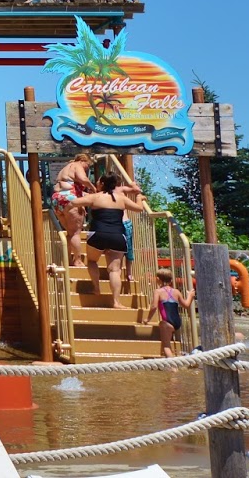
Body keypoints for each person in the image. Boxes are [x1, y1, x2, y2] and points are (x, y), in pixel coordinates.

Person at [71, 176, 149, 308]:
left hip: (98, 235)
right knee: (114, 270)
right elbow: (139, 209)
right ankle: (116, 302)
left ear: (101, 183)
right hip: (117, 236)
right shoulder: (121, 198)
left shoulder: (96, 197)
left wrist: (81, 194)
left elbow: (74, 202)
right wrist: (139, 198)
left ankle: (96, 288)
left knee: (92, 261)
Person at [53, 153, 95, 266]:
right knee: (76, 233)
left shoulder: (65, 169)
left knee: (70, 233)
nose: (87, 168)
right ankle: (78, 260)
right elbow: (83, 179)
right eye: (87, 166)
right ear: (82, 160)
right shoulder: (77, 165)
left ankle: (67, 260)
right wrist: (93, 188)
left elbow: (73, 188)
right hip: (70, 199)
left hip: (57, 199)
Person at [144, 269, 194, 357]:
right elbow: (186, 305)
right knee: (168, 340)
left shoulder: (158, 292)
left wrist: (147, 319)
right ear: (171, 280)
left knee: (166, 346)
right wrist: (190, 295)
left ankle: (173, 369)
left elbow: (154, 307)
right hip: (177, 322)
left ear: (158, 279)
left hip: (167, 322)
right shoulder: (176, 292)